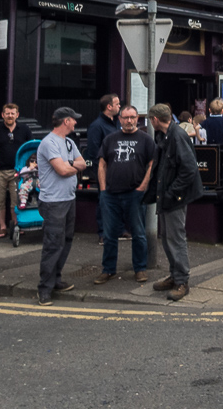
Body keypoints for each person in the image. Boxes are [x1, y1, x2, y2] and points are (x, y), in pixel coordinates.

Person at [146, 104, 204, 302]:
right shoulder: (165, 135)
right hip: (167, 197)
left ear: (155, 120)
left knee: (176, 239)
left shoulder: (177, 136)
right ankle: (174, 275)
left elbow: (189, 170)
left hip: (174, 198)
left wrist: (172, 193)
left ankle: (182, 282)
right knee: (166, 237)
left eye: (150, 119)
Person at [93, 105, 154, 286]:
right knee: (110, 234)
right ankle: (108, 270)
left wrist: (142, 187)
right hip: (111, 194)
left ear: (138, 118)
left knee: (139, 234)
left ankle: (140, 268)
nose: (129, 121)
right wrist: (103, 190)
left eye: (132, 117)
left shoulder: (146, 139)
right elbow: (102, 164)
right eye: (125, 118)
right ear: (119, 119)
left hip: (134, 194)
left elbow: (152, 164)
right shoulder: (110, 139)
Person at [36, 107, 86, 305]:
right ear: (66, 121)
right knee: (52, 244)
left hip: (68, 198)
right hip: (53, 202)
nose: (75, 123)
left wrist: (70, 166)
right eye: (74, 120)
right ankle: (44, 289)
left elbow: (82, 163)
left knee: (65, 240)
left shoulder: (69, 142)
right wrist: (72, 166)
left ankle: (56, 279)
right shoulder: (48, 143)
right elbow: (63, 170)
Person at [0, 103, 33, 238]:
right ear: (3, 115)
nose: (10, 116)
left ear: (17, 115)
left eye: (13, 113)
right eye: (7, 113)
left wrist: (29, 166)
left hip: (17, 171)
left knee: (17, 200)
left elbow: (29, 148)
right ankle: (2, 227)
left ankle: (17, 225)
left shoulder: (24, 129)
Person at [86, 93, 121, 244]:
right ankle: (103, 233)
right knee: (104, 199)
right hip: (105, 169)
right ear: (109, 107)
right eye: (117, 104)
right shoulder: (97, 126)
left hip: (119, 168)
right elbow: (93, 152)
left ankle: (118, 230)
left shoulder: (117, 123)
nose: (119, 106)